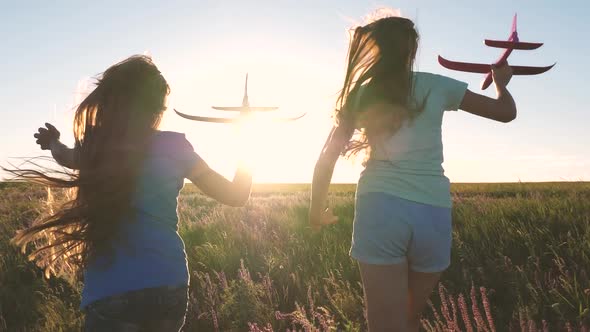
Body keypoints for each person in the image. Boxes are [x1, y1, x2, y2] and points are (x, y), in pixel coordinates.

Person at [8, 55, 253, 331]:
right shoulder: (175, 147)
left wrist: (53, 141)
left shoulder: (99, 147)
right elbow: (236, 195)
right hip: (167, 284)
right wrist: (247, 136)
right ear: (156, 108)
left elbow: (64, 156)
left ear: (114, 100)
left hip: (113, 289)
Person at [309, 15, 516, 331]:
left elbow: (325, 161)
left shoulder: (361, 93)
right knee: (409, 318)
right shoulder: (438, 85)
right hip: (432, 212)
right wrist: (501, 84)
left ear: (376, 50)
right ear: (412, 50)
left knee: (384, 324)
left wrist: (316, 210)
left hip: (380, 208)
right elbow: (505, 113)